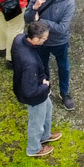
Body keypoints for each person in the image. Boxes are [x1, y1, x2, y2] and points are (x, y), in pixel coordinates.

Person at [10, 17, 59, 158]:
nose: (46, 40)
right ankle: (34, 148)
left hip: (27, 83)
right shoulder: (30, 63)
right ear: (36, 39)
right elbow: (30, 91)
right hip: (35, 94)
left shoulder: (19, 39)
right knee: (36, 121)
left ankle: (45, 135)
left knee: (48, 109)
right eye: (44, 38)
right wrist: (45, 86)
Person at [28, 0, 76, 109]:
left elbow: (62, 28)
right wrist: (35, 7)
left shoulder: (68, 1)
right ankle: (45, 86)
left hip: (59, 42)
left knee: (64, 67)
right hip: (40, 42)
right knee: (42, 66)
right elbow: (27, 18)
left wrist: (41, 21)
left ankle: (64, 92)